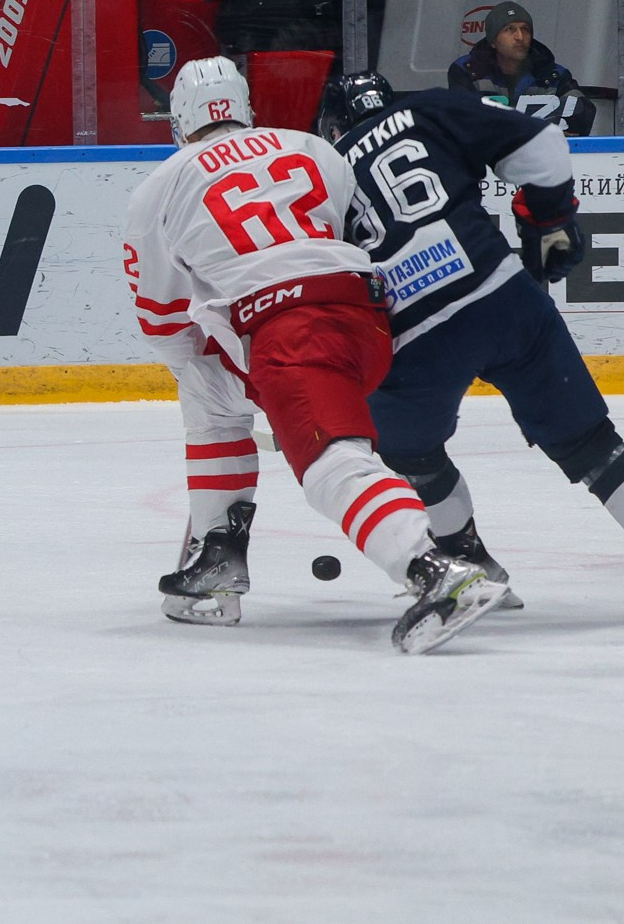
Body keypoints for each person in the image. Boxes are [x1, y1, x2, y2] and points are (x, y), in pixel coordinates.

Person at [123, 55, 509, 653]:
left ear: (179, 120)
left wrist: (212, 354)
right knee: (209, 388)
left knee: (331, 465)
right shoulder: (314, 149)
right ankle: (218, 558)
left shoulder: (161, 186)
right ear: (246, 110)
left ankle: (433, 568)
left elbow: (161, 319)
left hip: (293, 329)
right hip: (366, 316)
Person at [316, 70, 624, 607]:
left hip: (414, 335)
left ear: (332, 126)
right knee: (592, 444)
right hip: (503, 296)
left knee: (410, 453)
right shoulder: (427, 110)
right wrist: (550, 222)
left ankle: (470, 565)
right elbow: (542, 143)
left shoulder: (321, 171)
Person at [446, 0, 596, 135]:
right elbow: (463, 121)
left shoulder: (553, 74)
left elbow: (583, 111)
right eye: (509, 29)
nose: (520, 37)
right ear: (492, 41)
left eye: (525, 29)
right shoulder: (467, 70)